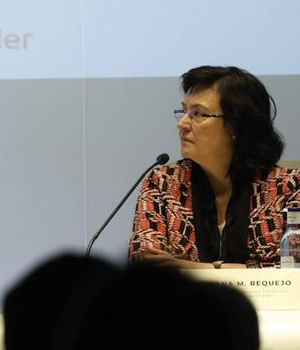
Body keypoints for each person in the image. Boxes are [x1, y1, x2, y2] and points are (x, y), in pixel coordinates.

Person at [129, 65, 300, 268]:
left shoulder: (288, 187)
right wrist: (248, 270)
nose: (182, 123)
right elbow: (147, 263)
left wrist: (196, 268)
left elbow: (293, 272)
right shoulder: (163, 183)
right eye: (184, 111)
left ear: (236, 125)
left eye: (198, 113)